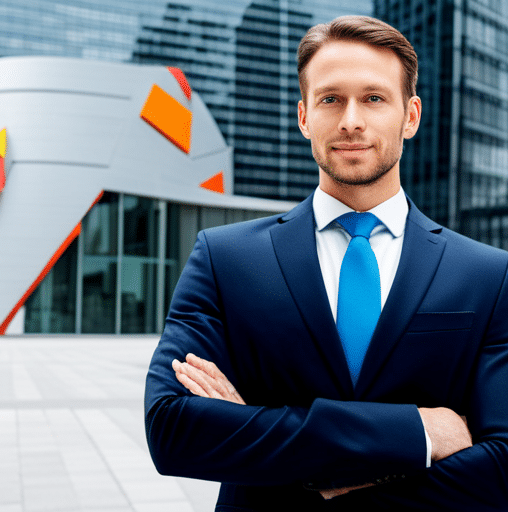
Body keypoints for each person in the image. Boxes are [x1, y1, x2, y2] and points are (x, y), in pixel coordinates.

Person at [144, 15, 508, 511]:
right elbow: (172, 427)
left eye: (374, 98)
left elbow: (502, 467)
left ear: (411, 116)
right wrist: (419, 431)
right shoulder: (224, 258)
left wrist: (259, 432)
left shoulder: (487, 274)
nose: (351, 120)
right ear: (303, 116)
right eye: (330, 99)